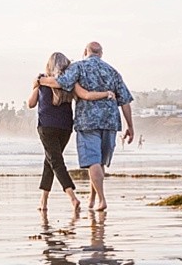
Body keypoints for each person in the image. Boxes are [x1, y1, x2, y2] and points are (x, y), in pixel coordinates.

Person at [38, 42, 134, 211]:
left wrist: (41, 80)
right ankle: (92, 199)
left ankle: (102, 200)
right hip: (110, 121)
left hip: (88, 121)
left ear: (85, 52)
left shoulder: (79, 67)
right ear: (101, 53)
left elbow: (61, 82)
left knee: (93, 161)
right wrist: (130, 126)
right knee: (100, 162)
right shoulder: (112, 71)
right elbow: (125, 100)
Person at [29, 52, 114, 212]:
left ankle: (72, 198)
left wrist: (37, 85)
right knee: (50, 161)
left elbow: (31, 104)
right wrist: (106, 93)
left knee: (55, 162)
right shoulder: (69, 83)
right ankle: (43, 201)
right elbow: (86, 95)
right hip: (65, 127)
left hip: (46, 127)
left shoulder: (42, 80)